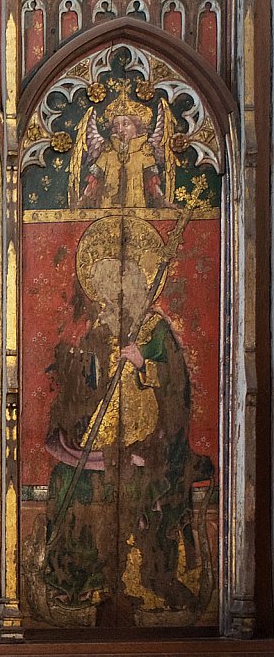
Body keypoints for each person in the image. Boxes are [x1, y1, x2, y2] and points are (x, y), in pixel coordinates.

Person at [43, 215, 213, 623]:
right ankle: (81, 580)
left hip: (151, 441)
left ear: (138, 280)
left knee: (145, 488)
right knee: (70, 480)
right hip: (100, 438)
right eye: (104, 282)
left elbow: (178, 390)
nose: (114, 291)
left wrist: (143, 365)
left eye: (122, 280)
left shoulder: (156, 331)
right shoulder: (96, 331)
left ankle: (148, 579)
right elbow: (78, 390)